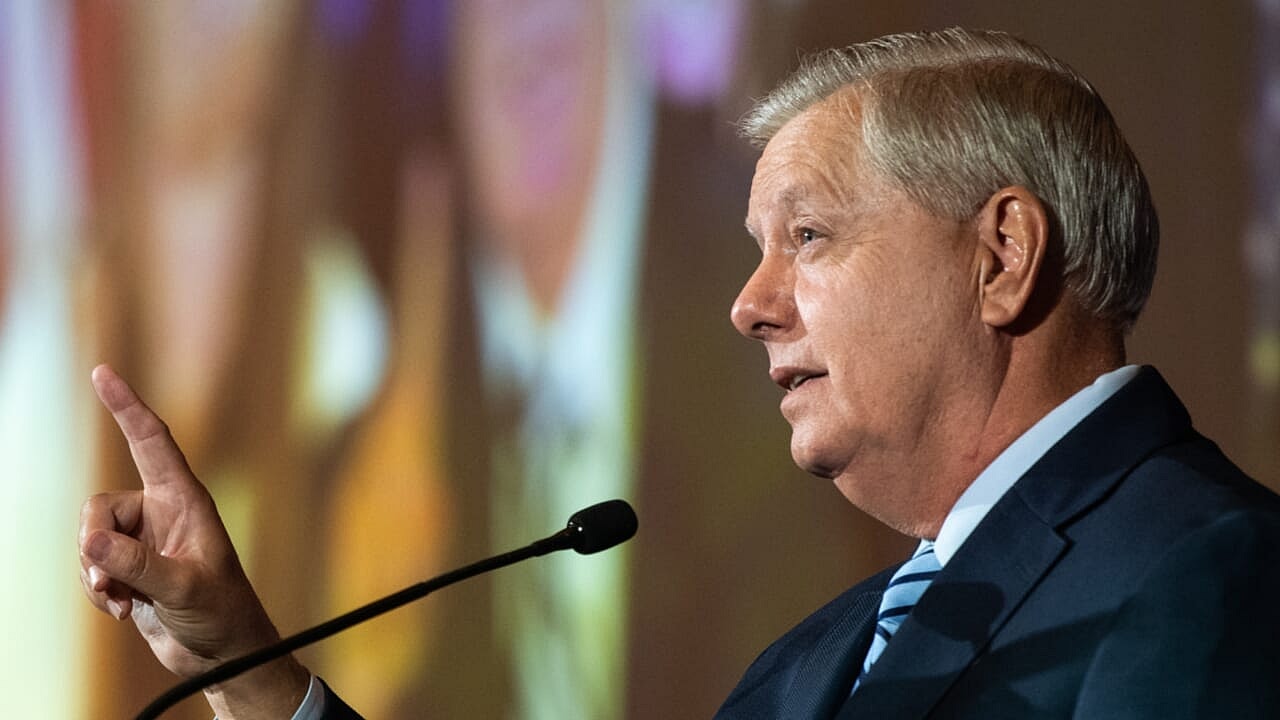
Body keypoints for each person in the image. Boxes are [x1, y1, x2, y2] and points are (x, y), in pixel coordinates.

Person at [78, 27, 1280, 719]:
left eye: (807, 236)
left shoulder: (1209, 576)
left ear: (1001, 257)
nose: (748, 305)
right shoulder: (813, 660)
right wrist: (253, 672)